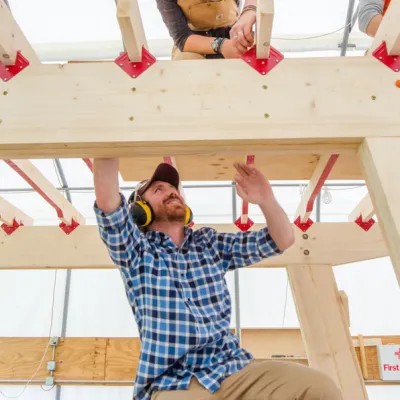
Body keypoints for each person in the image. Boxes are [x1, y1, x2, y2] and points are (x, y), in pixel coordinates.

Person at [93, 158, 342, 400]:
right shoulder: (136, 252)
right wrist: (111, 133)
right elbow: (107, 200)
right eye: (159, 190)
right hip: (173, 383)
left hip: (232, 370)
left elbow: (282, 240)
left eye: (174, 189)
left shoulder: (209, 243)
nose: (172, 193)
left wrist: (266, 199)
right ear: (140, 211)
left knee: (320, 389)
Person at [155, 0, 257, 60]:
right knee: (187, 68)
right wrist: (221, 45)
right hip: (193, 43)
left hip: (234, 34)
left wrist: (249, 11)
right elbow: (182, 37)